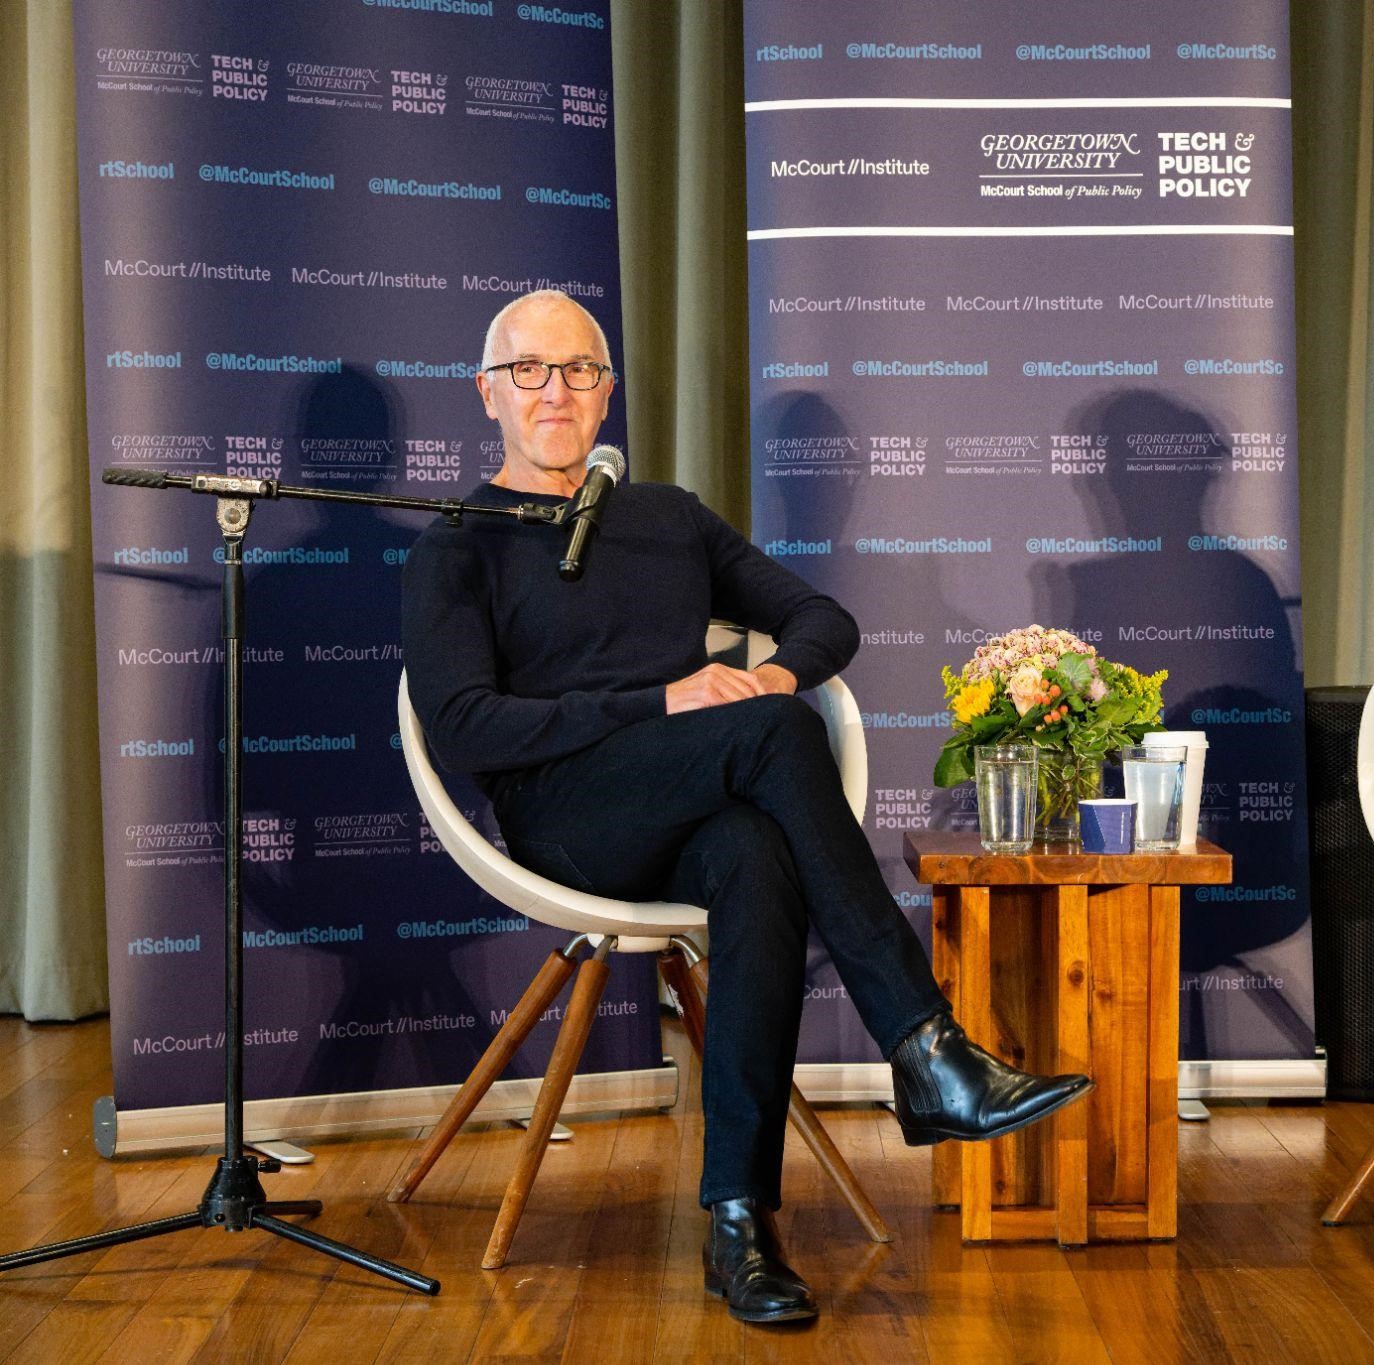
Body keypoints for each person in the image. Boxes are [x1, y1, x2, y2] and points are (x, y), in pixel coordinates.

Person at [401, 289, 1090, 1324]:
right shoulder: (456, 545)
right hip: (568, 823)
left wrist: (770, 679)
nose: (557, 391)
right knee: (771, 742)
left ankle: (739, 1225)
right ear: (487, 394)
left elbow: (820, 621)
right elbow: (461, 728)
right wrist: (662, 699)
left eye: (580, 370)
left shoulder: (665, 518)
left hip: (693, 806)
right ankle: (927, 1047)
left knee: (756, 855)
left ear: (608, 392)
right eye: (531, 372)